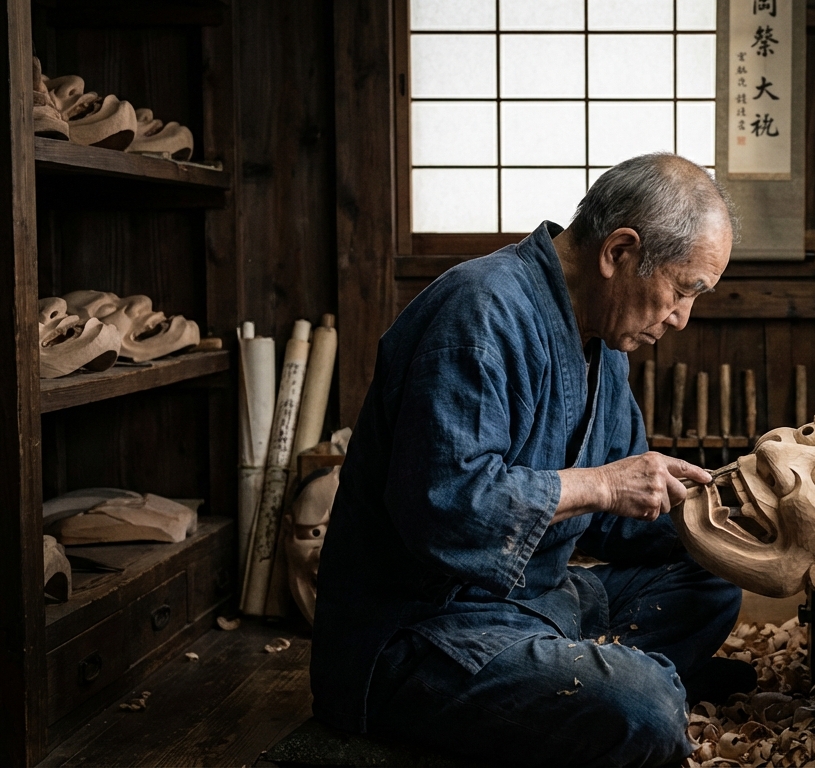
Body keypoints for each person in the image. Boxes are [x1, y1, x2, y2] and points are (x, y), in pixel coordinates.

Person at [312, 153, 750, 767]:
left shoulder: (603, 341)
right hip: (427, 628)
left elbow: (618, 520)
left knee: (713, 578)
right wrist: (600, 485)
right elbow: (445, 509)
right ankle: (625, 689)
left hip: (541, 601)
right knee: (645, 708)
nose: (681, 318)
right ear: (619, 252)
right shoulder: (477, 311)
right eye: (681, 291)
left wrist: (729, 519)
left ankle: (589, 685)